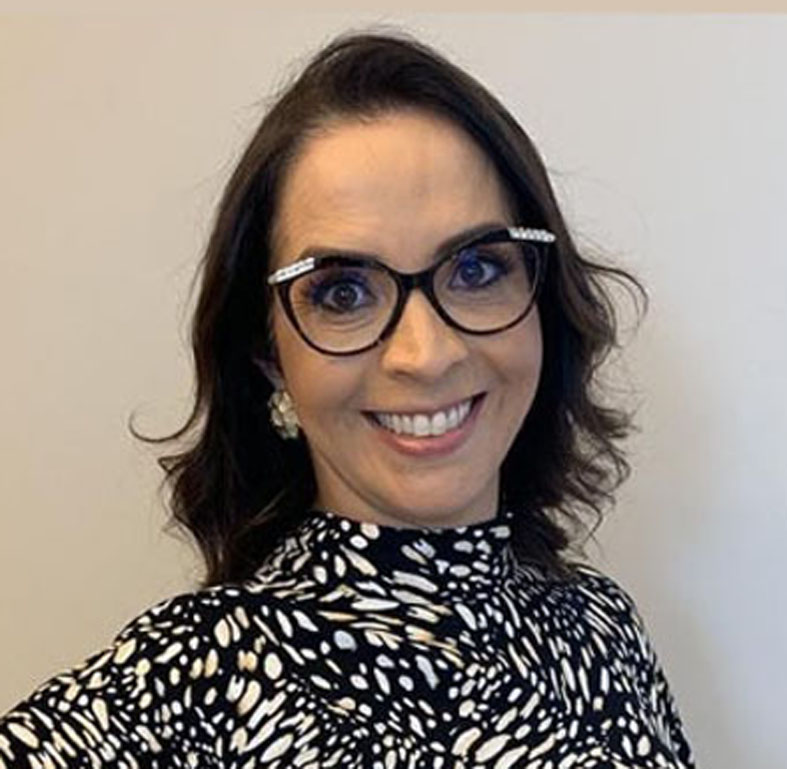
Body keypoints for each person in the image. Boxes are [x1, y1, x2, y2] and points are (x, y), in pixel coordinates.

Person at [0, 30, 696, 769]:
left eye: (475, 269)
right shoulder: (192, 686)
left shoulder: (600, 626)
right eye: (342, 292)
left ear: (541, 298)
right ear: (268, 351)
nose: (426, 354)